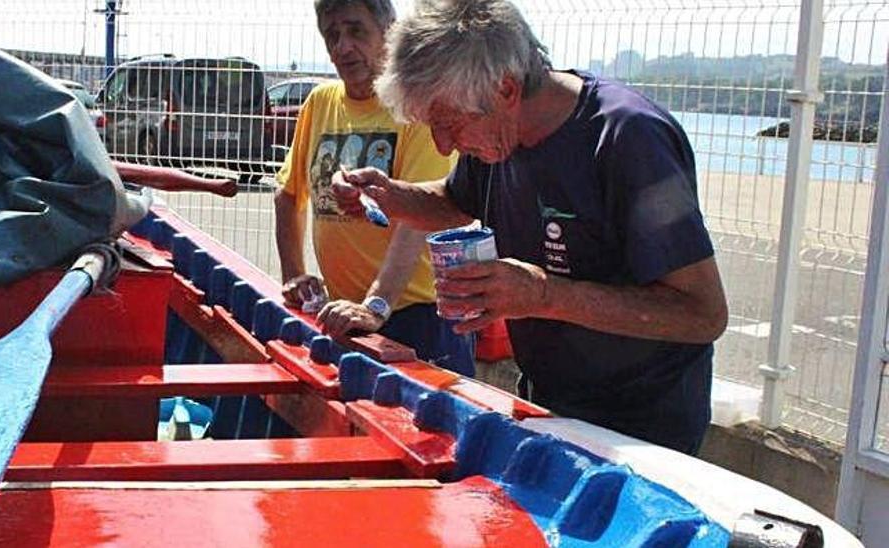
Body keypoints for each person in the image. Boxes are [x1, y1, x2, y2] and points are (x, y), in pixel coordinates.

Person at [333, 0, 728, 454]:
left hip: (644, 429)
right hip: (549, 405)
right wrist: (387, 195)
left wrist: (544, 295)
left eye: (448, 123)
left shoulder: (629, 139)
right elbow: (455, 202)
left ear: (505, 89)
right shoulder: (497, 137)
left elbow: (703, 313)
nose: (443, 146)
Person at [275, 0, 476, 376]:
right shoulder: (319, 103)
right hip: (346, 314)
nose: (342, 47)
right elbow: (287, 194)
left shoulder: (414, 108)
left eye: (356, 31)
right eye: (332, 35)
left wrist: (376, 305)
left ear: (388, 32)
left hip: (416, 317)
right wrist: (293, 276)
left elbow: (417, 220)